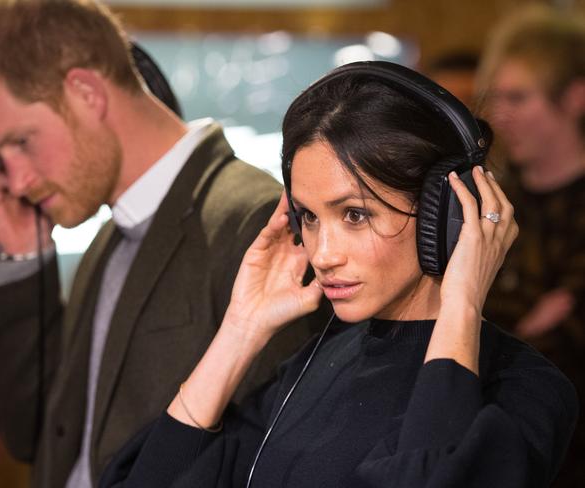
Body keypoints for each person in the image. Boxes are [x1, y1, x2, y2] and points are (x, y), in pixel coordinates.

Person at [101, 62, 578, 488]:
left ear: (446, 213)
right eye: (309, 217)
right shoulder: (317, 360)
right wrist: (239, 331)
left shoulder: (525, 388)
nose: (322, 254)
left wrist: (463, 306)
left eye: (354, 215)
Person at [0, 1, 319, 487]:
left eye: (22, 142)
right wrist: (23, 262)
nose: (17, 180)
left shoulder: (254, 224)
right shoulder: (109, 238)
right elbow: (38, 437)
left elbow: (275, 462)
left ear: (86, 92)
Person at [477, 6, 585, 485]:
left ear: (576, 97)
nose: (501, 114)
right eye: (497, 97)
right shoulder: (490, 197)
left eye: (519, 97)